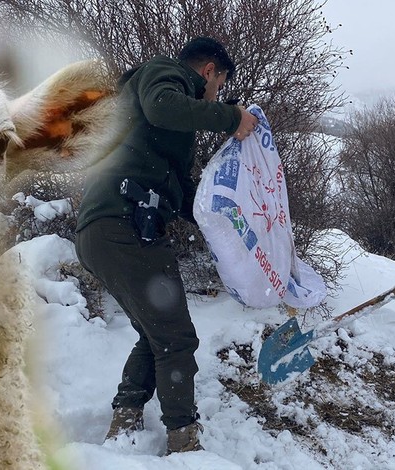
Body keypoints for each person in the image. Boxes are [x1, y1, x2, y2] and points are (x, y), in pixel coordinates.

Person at [74, 36, 258, 454]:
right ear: (210, 69)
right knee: (176, 338)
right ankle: (183, 441)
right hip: (123, 225)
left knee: (154, 332)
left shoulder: (160, 126)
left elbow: (187, 196)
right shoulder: (163, 73)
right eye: (220, 85)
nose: (217, 94)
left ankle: (126, 418)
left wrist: (232, 225)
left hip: (108, 230)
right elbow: (164, 106)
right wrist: (231, 118)